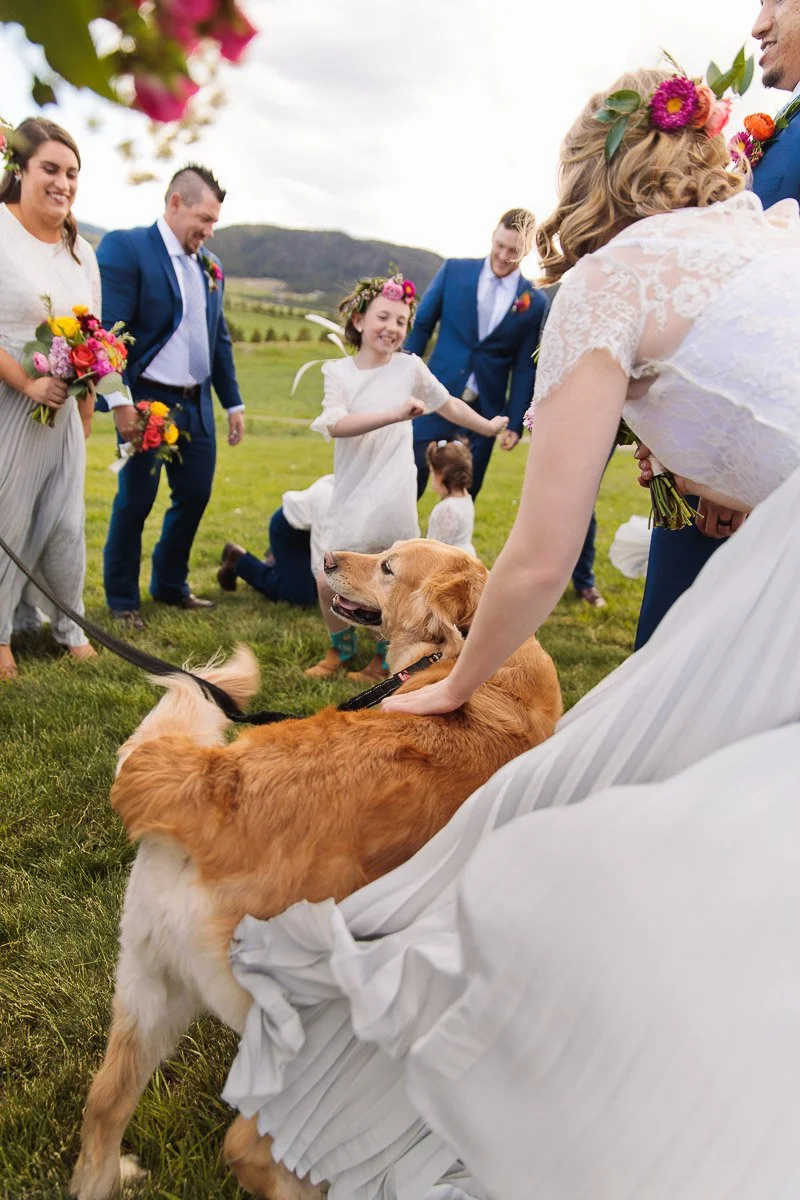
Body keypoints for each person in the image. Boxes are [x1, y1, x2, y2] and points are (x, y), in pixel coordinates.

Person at [221, 65, 800, 1200]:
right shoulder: (771, 237)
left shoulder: (601, 286)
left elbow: (533, 560)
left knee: (606, 838)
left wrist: (451, 684)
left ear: (587, 177)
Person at [634, 0, 800, 648]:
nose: (757, 26)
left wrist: (739, 466)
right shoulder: (780, 128)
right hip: (708, 476)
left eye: (773, 3)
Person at [303, 270, 508, 683]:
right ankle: (339, 649)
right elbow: (337, 424)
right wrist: (395, 413)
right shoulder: (338, 373)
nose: (392, 328)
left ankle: (382, 657)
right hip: (352, 487)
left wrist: (486, 426)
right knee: (329, 577)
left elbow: (448, 403)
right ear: (359, 320)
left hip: (393, 490)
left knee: (390, 578)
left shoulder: (410, 368)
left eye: (401, 321)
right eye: (383, 317)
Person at [96, 164, 245, 630]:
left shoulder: (211, 267)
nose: (209, 230)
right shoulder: (128, 247)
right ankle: (122, 599)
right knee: (136, 500)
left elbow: (218, 338)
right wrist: (120, 402)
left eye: (215, 221)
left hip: (197, 402)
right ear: (175, 203)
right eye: (204, 218)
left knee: (195, 494)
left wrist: (232, 401)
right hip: (148, 400)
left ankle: (169, 584)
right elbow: (108, 335)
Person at [0, 117, 99, 681]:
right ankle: (1, 637)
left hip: (63, 407)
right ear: (20, 169)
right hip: (12, 400)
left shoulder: (80, 249)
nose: (63, 182)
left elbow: (93, 330)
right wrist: (26, 383)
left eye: (72, 173)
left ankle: (69, 625)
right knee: (7, 519)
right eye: (51, 169)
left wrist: (85, 405)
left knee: (64, 523)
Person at [406, 209, 545, 500]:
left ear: (527, 250)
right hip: (434, 395)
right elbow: (422, 325)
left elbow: (523, 368)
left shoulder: (534, 301)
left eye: (514, 251)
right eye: (500, 245)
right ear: (493, 236)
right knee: (409, 479)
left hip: (484, 410)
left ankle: (449, 546)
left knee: (464, 495)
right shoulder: (454, 271)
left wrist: (515, 421)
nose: (503, 255)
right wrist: (401, 375)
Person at [217, 475, 333, 607]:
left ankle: (277, 563)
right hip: (289, 531)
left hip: (310, 532)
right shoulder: (332, 502)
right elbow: (322, 558)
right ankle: (239, 560)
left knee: (320, 587)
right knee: (302, 599)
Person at [425, 439, 476, 555]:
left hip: (449, 562)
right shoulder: (466, 498)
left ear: (440, 476)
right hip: (465, 555)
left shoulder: (446, 508)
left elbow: (437, 548)